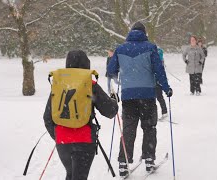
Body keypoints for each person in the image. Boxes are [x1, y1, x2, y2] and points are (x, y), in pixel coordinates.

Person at [107, 22, 172, 177]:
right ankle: (149, 159)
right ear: (144, 33)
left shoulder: (121, 48)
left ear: (131, 32)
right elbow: (159, 70)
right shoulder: (150, 47)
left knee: (129, 129)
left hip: (128, 96)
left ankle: (123, 162)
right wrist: (166, 88)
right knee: (149, 127)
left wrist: (120, 76)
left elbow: (111, 70)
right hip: (147, 95)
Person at [43, 50, 119, 180]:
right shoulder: (90, 85)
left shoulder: (59, 85)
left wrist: (57, 136)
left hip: (62, 140)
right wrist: (114, 101)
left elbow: (47, 117)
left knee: (71, 174)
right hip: (84, 140)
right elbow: (110, 111)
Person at [156, 47, 168, 119]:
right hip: (153, 80)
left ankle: (164, 112)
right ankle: (163, 112)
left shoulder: (159, 58)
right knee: (158, 97)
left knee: (159, 97)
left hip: (157, 81)